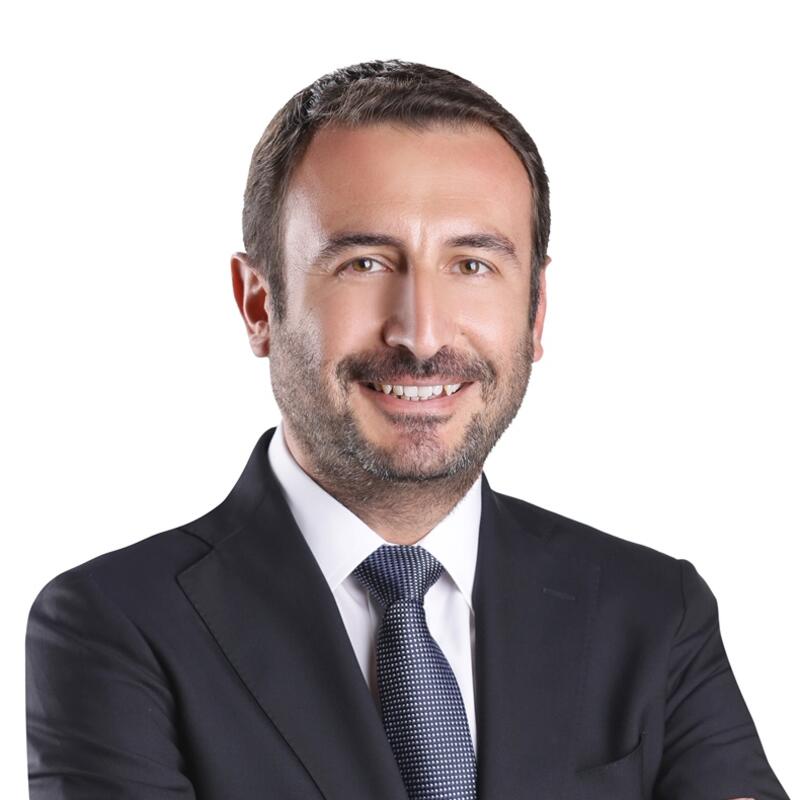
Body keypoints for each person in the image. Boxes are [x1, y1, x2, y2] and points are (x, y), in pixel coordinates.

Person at [25, 59, 788, 800]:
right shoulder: (116, 628)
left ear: (536, 311)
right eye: (362, 263)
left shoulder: (654, 613)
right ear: (259, 304)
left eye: (473, 265)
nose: (421, 335)